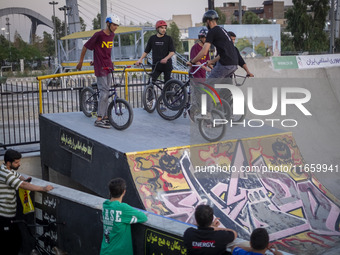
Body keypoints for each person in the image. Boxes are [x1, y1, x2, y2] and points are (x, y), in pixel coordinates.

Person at [0, 149, 53, 255]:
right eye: (16, 162)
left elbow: (19, 176)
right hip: (4, 215)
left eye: (19, 161)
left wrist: (23, 179)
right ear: (8, 163)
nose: (19, 164)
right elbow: (23, 185)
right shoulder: (5, 173)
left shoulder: (7, 169)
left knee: (16, 239)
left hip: (10, 214)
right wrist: (43, 188)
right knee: (9, 242)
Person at [76, 14, 120, 129]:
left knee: (107, 92)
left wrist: (96, 60)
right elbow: (86, 46)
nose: (116, 27)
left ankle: (105, 117)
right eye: (114, 25)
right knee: (104, 92)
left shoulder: (112, 35)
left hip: (108, 66)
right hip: (100, 67)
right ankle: (99, 119)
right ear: (108, 24)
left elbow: (103, 50)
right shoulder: (99, 35)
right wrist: (80, 62)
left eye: (117, 25)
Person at [100, 178, 147, 255]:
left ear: (110, 191)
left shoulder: (105, 205)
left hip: (105, 251)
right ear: (124, 192)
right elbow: (143, 217)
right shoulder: (123, 208)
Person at [187, 10, 238, 81]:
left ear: (208, 21)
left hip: (225, 64)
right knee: (222, 88)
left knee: (208, 86)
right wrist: (212, 61)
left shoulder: (212, 31)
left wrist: (192, 62)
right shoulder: (222, 30)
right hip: (234, 64)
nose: (206, 25)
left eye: (205, 23)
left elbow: (204, 51)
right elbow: (223, 53)